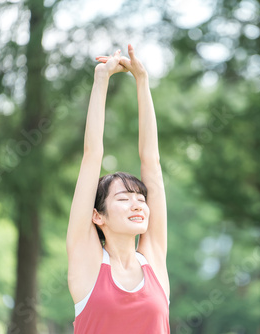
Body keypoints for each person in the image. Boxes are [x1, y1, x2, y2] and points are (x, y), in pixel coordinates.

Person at [67, 44, 170, 333]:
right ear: (97, 216)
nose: (137, 204)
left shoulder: (153, 259)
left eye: (140, 198)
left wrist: (142, 80)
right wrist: (102, 79)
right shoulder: (87, 261)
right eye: (123, 198)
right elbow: (92, 155)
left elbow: (152, 162)